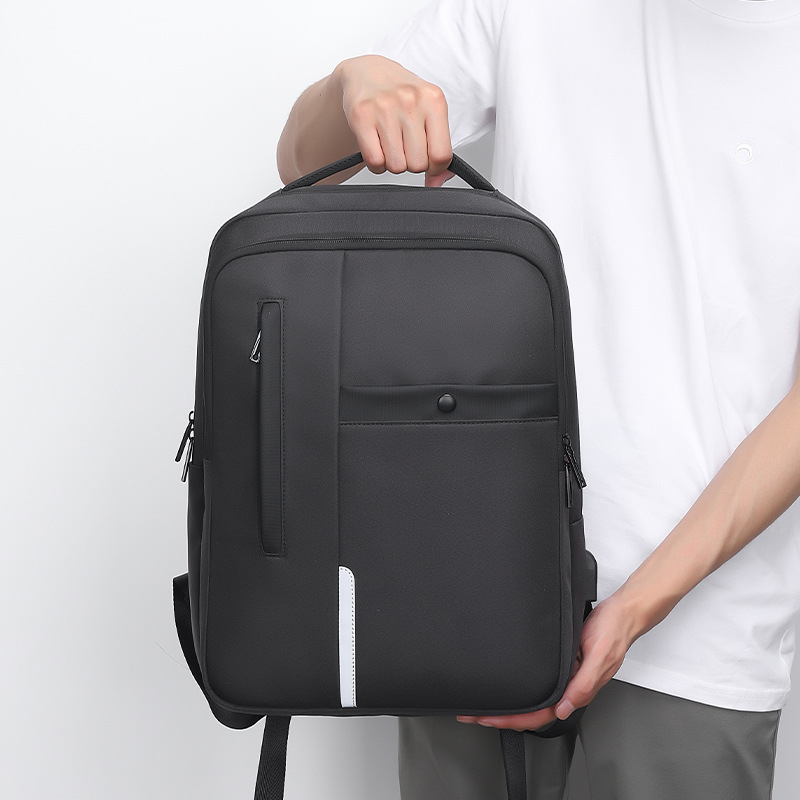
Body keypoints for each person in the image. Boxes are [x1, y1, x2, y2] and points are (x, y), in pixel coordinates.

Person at [276, 1, 800, 797]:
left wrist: (635, 608)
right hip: (475, 589)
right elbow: (303, 161)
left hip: (700, 639)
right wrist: (354, 83)